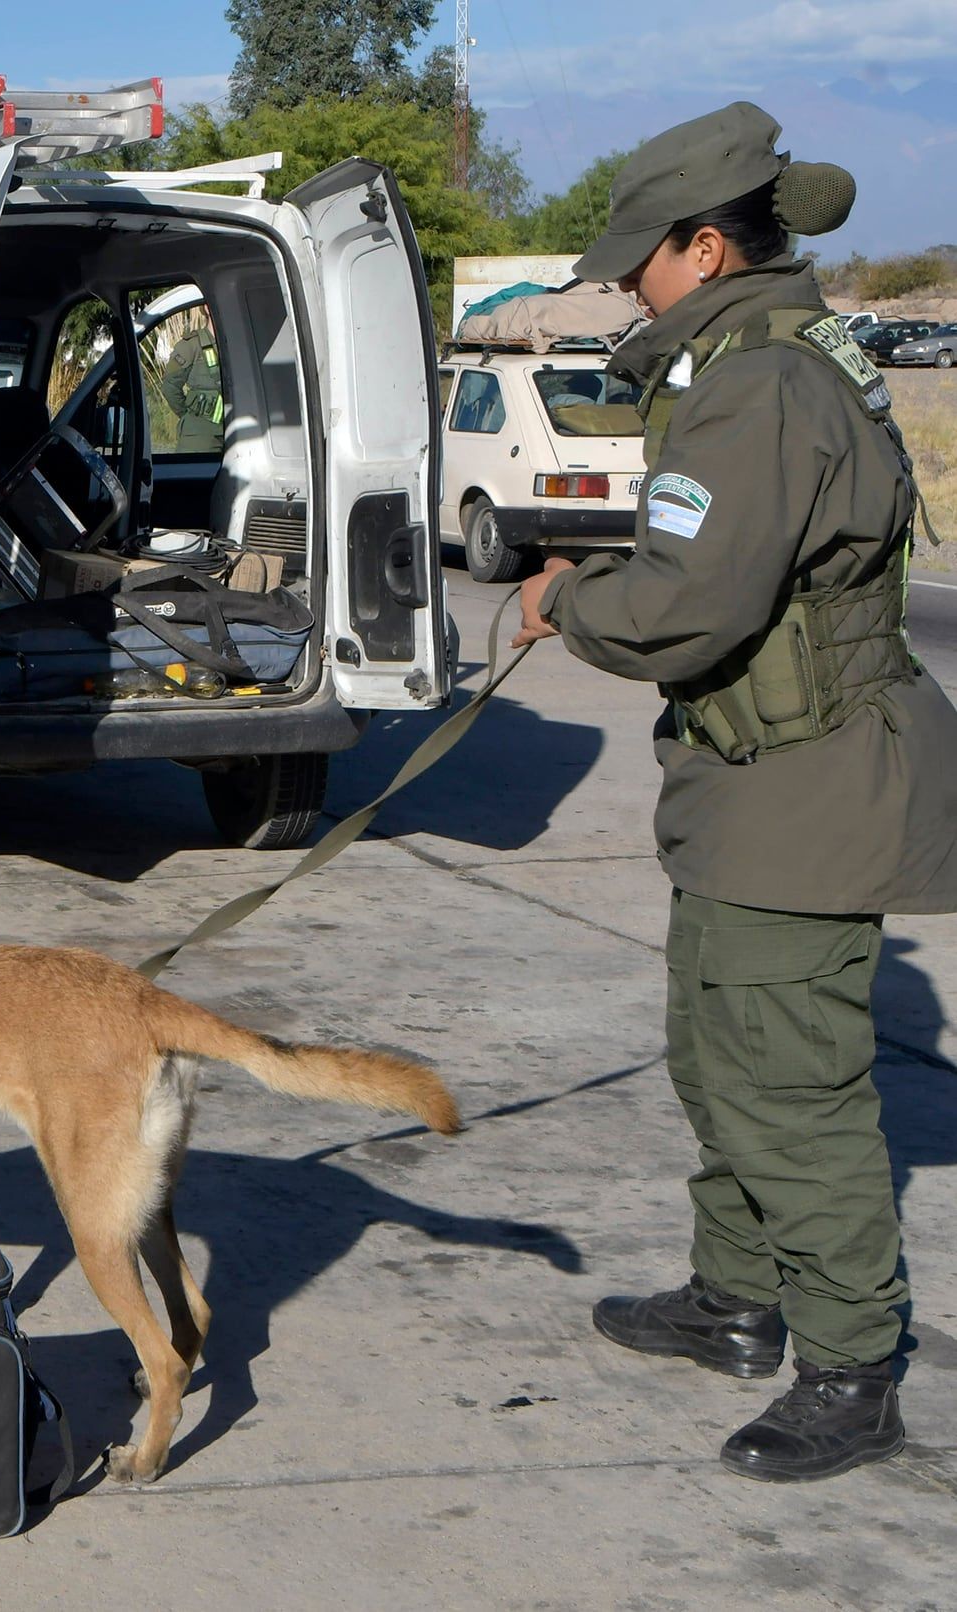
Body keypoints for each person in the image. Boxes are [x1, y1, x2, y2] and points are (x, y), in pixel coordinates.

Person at [512, 101, 957, 1483]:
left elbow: (688, 608)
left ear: (706, 248)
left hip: (807, 786)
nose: (628, 281)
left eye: (643, 255)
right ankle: (738, 1298)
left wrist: (566, 600)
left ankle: (847, 1366)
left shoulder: (756, 383)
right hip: (753, 783)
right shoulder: (753, 357)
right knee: (720, 1053)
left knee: (792, 1087)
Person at [154, 307, 224, 453]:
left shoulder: (236, 345)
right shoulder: (191, 344)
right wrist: (189, 414)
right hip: (199, 437)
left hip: (234, 433)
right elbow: (170, 386)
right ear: (207, 308)